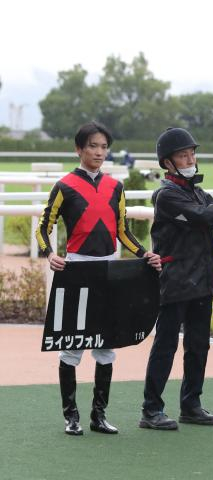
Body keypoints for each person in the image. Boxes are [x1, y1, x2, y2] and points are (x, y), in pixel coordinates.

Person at [36, 121, 162, 436]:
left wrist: (144, 253)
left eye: (104, 147)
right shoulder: (64, 185)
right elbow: (43, 226)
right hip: (76, 270)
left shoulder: (115, 187)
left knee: (106, 346)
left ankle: (98, 416)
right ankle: (71, 416)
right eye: (93, 146)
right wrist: (50, 254)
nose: (99, 152)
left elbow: (122, 230)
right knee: (72, 347)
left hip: (110, 272)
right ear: (79, 149)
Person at [139, 127, 213, 430]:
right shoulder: (167, 196)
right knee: (165, 345)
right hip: (175, 280)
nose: (190, 158)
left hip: (202, 279)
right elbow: (210, 217)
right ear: (168, 163)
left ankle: (191, 404)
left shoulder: (195, 191)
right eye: (182, 155)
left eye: (192, 153)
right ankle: (151, 409)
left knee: (199, 345)